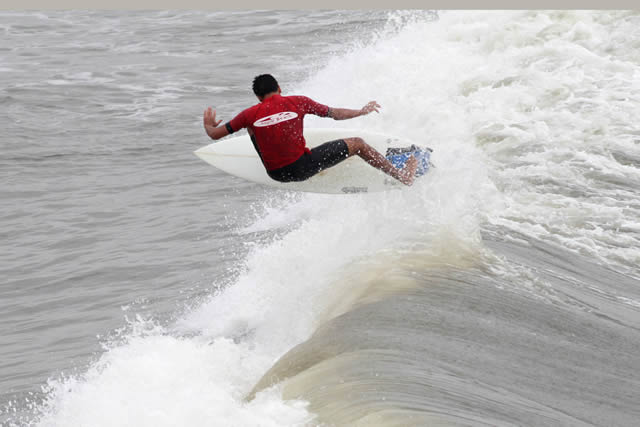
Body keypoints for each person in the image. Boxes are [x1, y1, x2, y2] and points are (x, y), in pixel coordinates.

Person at [203, 74, 417, 185]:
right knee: (358, 144)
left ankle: (287, 158)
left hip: (275, 174)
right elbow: (335, 114)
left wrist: (208, 125)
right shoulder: (298, 102)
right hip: (302, 168)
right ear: (279, 89)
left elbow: (214, 134)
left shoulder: (248, 114)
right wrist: (361, 112)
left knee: (252, 129)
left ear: (258, 97)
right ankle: (403, 176)